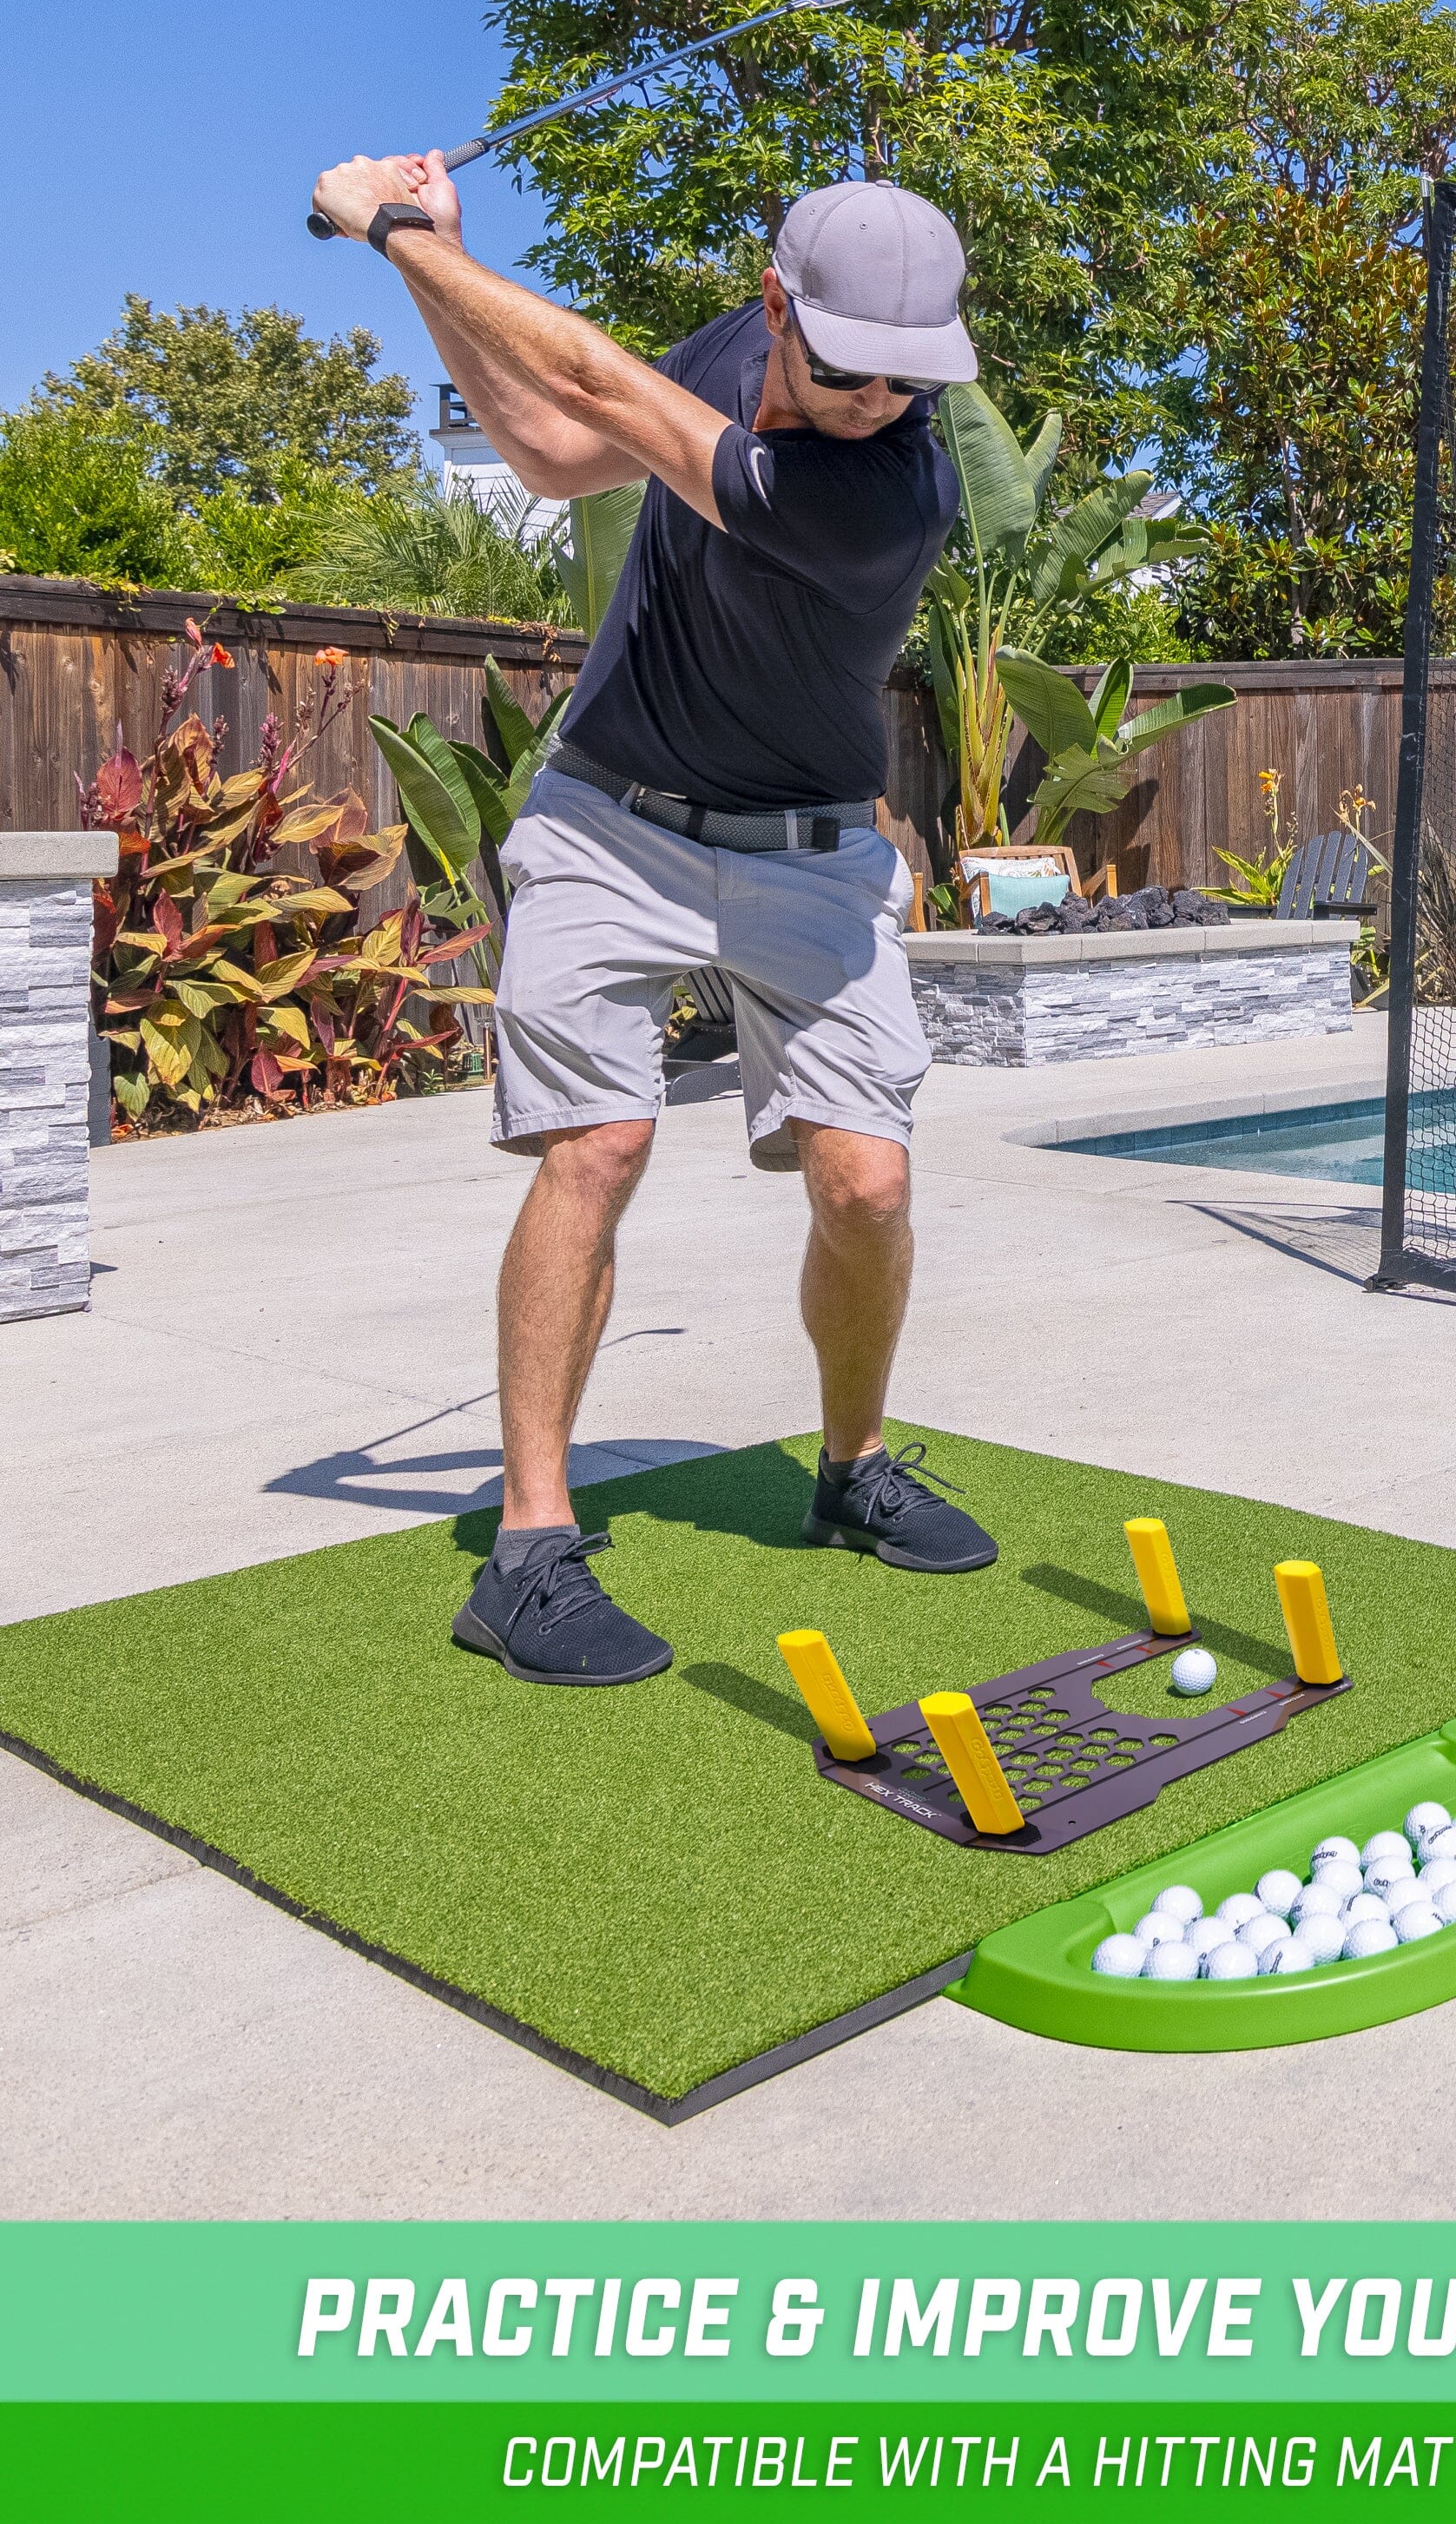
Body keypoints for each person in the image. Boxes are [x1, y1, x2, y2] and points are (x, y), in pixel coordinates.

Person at [307, 151, 998, 1689]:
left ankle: (853, 1466)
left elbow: (590, 374)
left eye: (909, 375)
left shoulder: (886, 491)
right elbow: (560, 446)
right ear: (778, 307)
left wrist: (399, 232)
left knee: (869, 1184)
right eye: (852, 365)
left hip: (812, 850)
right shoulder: (732, 351)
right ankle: (530, 1550)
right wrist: (439, 266)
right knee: (600, 1145)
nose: (880, 397)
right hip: (611, 819)